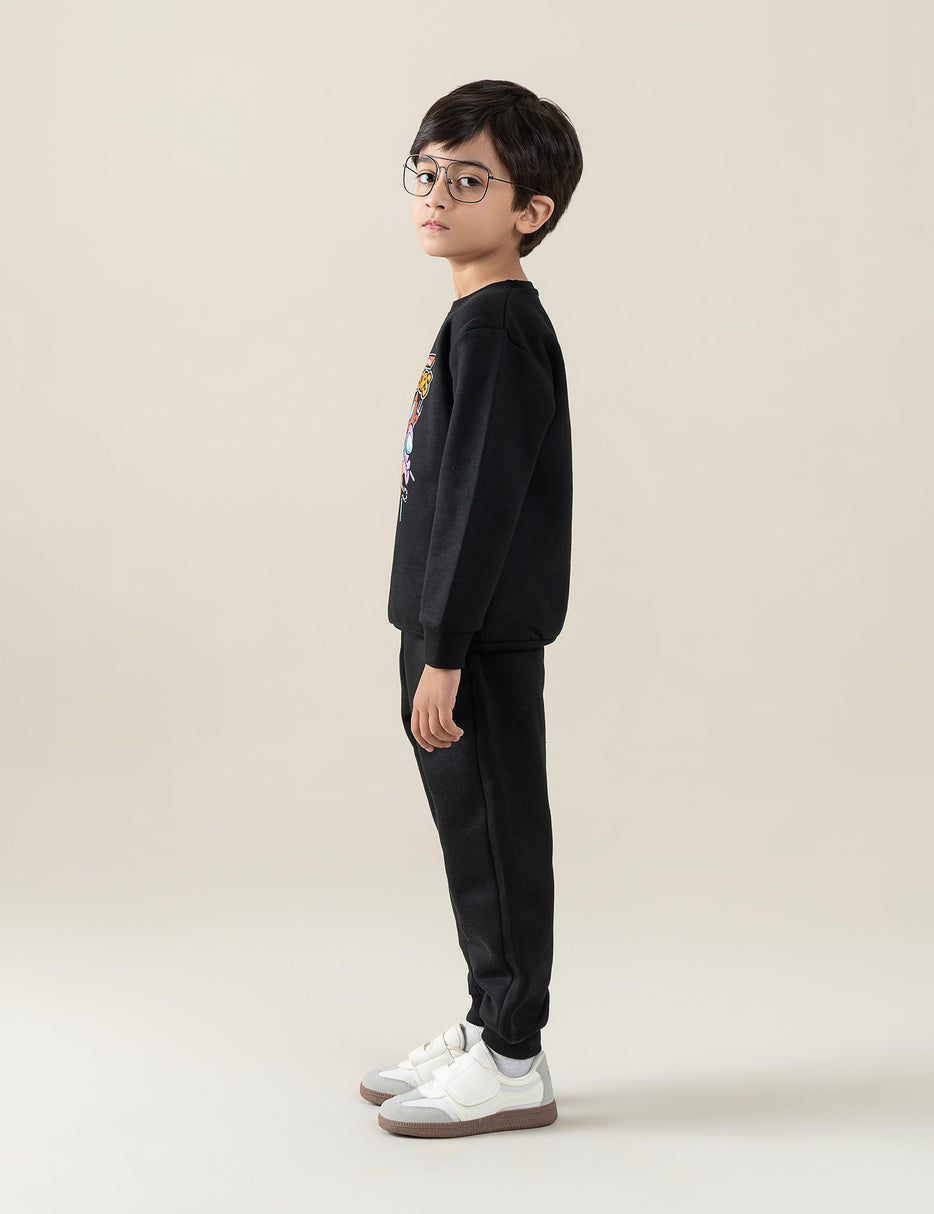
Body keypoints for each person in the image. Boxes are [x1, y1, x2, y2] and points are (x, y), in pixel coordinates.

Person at [360, 79, 583, 1139]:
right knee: (473, 838)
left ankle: (512, 1056)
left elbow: (482, 505)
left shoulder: (496, 330)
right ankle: (488, 1022)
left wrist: (444, 651)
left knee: (496, 839)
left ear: (530, 209)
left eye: (468, 180)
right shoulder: (473, 321)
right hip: (445, 633)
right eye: (426, 173)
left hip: (473, 643)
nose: (436, 196)